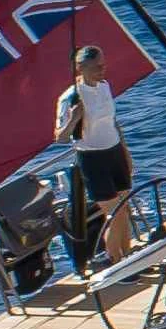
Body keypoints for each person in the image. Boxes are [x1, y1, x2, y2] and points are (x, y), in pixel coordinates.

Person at [53, 44, 134, 263]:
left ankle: (129, 258)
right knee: (114, 213)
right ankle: (114, 260)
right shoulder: (71, 98)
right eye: (97, 67)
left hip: (114, 152)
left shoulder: (104, 86)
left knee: (124, 209)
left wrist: (125, 154)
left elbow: (113, 122)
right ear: (81, 68)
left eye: (103, 65)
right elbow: (60, 137)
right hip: (93, 159)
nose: (102, 70)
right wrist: (73, 119)